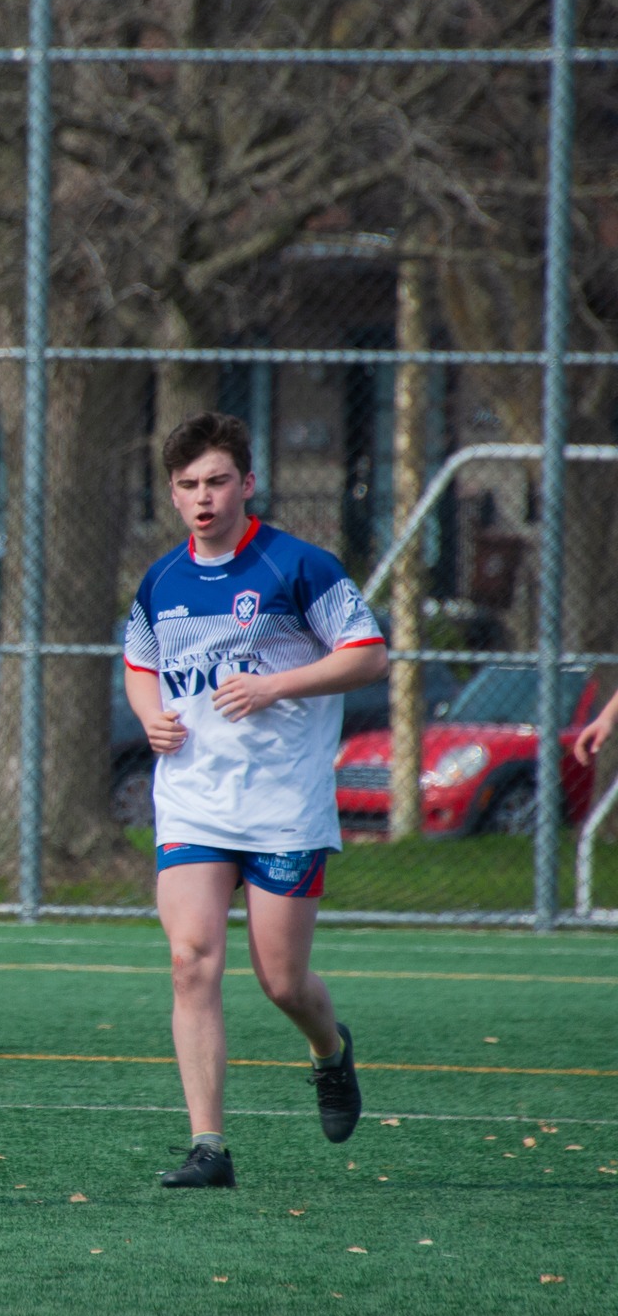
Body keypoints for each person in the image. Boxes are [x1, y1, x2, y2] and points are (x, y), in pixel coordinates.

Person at [124, 412, 382, 1189]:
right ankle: (210, 1147)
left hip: (282, 805)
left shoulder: (298, 566)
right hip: (194, 802)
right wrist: (148, 714)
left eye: (216, 481)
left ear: (247, 483)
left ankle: (329, 1050)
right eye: (188, 485)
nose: (203, 498)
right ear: (172, 494)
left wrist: (275, 683)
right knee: (189, 960)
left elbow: (368, 656)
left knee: (282, 981)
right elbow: (140, 659)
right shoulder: (163, 580)